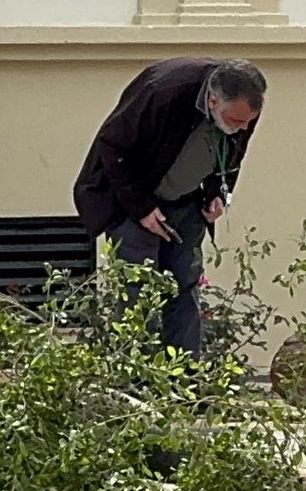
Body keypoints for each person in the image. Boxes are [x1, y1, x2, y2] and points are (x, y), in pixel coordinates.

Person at [73, 57, 266, 356]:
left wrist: (217, 192)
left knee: (185, 289)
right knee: (137, 293)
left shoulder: (243, 108)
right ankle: (136, 384)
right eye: (236, 121)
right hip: (133, 203)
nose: (242, 128)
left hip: (187, 204)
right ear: (212, 100)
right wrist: (141, 209)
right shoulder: (162, 90)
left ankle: (188, 382)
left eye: (248, 123)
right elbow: (112, 146)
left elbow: (231, 153)